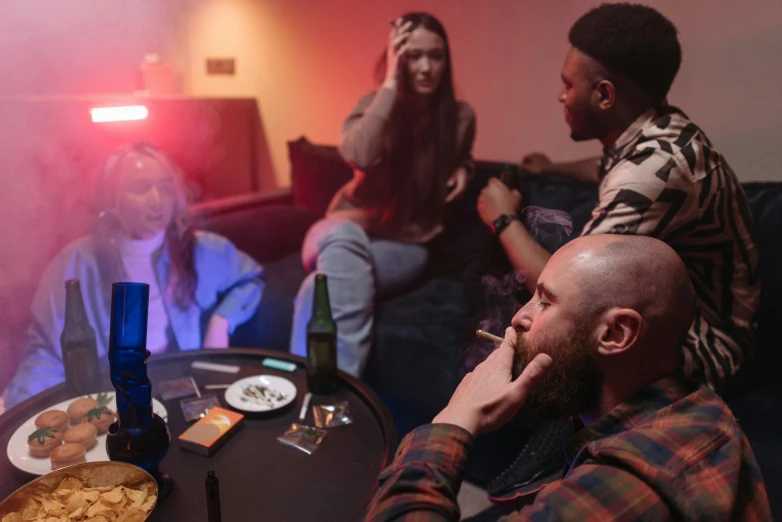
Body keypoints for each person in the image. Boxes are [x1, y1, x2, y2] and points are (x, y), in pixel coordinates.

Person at [474, 3, 760, 499]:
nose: (559, 95)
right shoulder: (664, 134)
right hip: (680, 317)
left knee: (564, 327)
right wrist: (554, 166)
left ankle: (551, 466)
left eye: (568, 84)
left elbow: (571, 289)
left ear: (604, 94)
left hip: (711, 349)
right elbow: (610, 166)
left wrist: (503, 218)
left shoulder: (653, 173)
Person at [364, 235, 771, 521]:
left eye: (545, 300)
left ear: (615, 334)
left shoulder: (631, 488)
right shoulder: (693, 405)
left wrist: (453, 423)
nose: (519, 317)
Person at [3, 142, 264, 408]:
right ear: (111, 201)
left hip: (183, 387)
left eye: (165, 188)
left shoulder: (202, 249)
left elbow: (251, 279)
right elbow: (47, 353)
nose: (157, 200)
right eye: (141, 189)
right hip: (112, 396)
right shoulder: (75, 263)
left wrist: (221, 321)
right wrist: (14, 411)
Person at [290, 12, 476, 377]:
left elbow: (460, 156)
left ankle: (305, 383)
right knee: (343, 245)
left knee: (323, 287)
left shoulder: (460, 118)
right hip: (341, 229)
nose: (425, 67)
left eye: (435, 56)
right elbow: (359, 153)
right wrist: (390, 84)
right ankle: (339, 391)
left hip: (405, 245)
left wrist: (463, 169)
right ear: (396, 59)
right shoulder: (374, 106)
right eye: (412, 56)